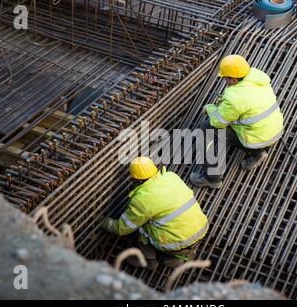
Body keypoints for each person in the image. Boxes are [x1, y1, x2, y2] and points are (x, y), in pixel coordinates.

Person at [190, 54, 284, 188]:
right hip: (274, 132)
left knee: (205, 128)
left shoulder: (234, 99)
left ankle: (212, 178)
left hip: (256, 140)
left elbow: (218, 122)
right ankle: (258, 154)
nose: (224, 81)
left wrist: (210, 108)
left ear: (234, 80)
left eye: (225, 78)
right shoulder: (258, 77)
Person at [102, 157, 208, 269]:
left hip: (176, 242)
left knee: (141, 224)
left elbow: (122, 229)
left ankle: (148, 260)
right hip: (202, 227)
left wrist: (104, 222)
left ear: (136, 180)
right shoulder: (171, 176)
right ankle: (181, 255)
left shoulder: (142, 201)